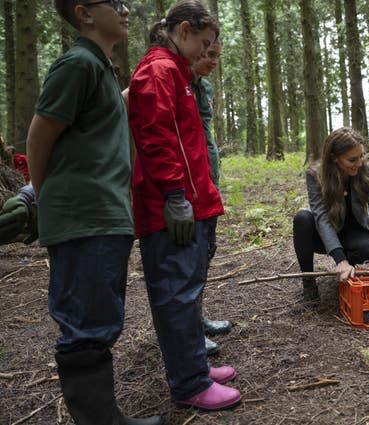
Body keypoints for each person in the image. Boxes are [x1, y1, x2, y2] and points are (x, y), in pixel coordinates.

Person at [26, 1, 161, 424]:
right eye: (115, 3)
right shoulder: (77, 65)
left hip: (105, 215)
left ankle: (104, 416)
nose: (125, 9)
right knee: (86, 324)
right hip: (83, 217)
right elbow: (40, 133)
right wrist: (44, 196)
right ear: (84, 13)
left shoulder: (100, 68)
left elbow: (104, 115)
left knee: (100, 317)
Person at [127, 0, 240, 411]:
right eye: (205, 43)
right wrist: (175, 195)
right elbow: (156, 138)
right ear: (185, 30)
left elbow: (191, 143)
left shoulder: (177, 71)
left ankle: (196, 367)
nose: (206, 53)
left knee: (189, 291)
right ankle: (190, 384)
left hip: (192, 202)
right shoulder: (158, 71)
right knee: (175, 293)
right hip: (170, 207)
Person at [293, 127, 369, 302]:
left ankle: (350, 269)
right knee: (302, 219)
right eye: (352, 159)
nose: (359, 163)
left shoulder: (368, 172)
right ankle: (308, 281)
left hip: (355, 232)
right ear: (334, 158)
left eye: (361, 157)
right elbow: (321, 217)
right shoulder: (315, 175)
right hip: (325, 234)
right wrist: (339, 259)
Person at [191, 37, 232, 356]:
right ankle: (187, 328)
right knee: (190, 256)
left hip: (208, 179)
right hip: (188, 182)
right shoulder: (175, 81)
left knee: (207, 249)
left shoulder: (203, 86)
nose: (213, 60)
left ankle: (197, 317)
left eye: (217, 55)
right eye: (207, 54)